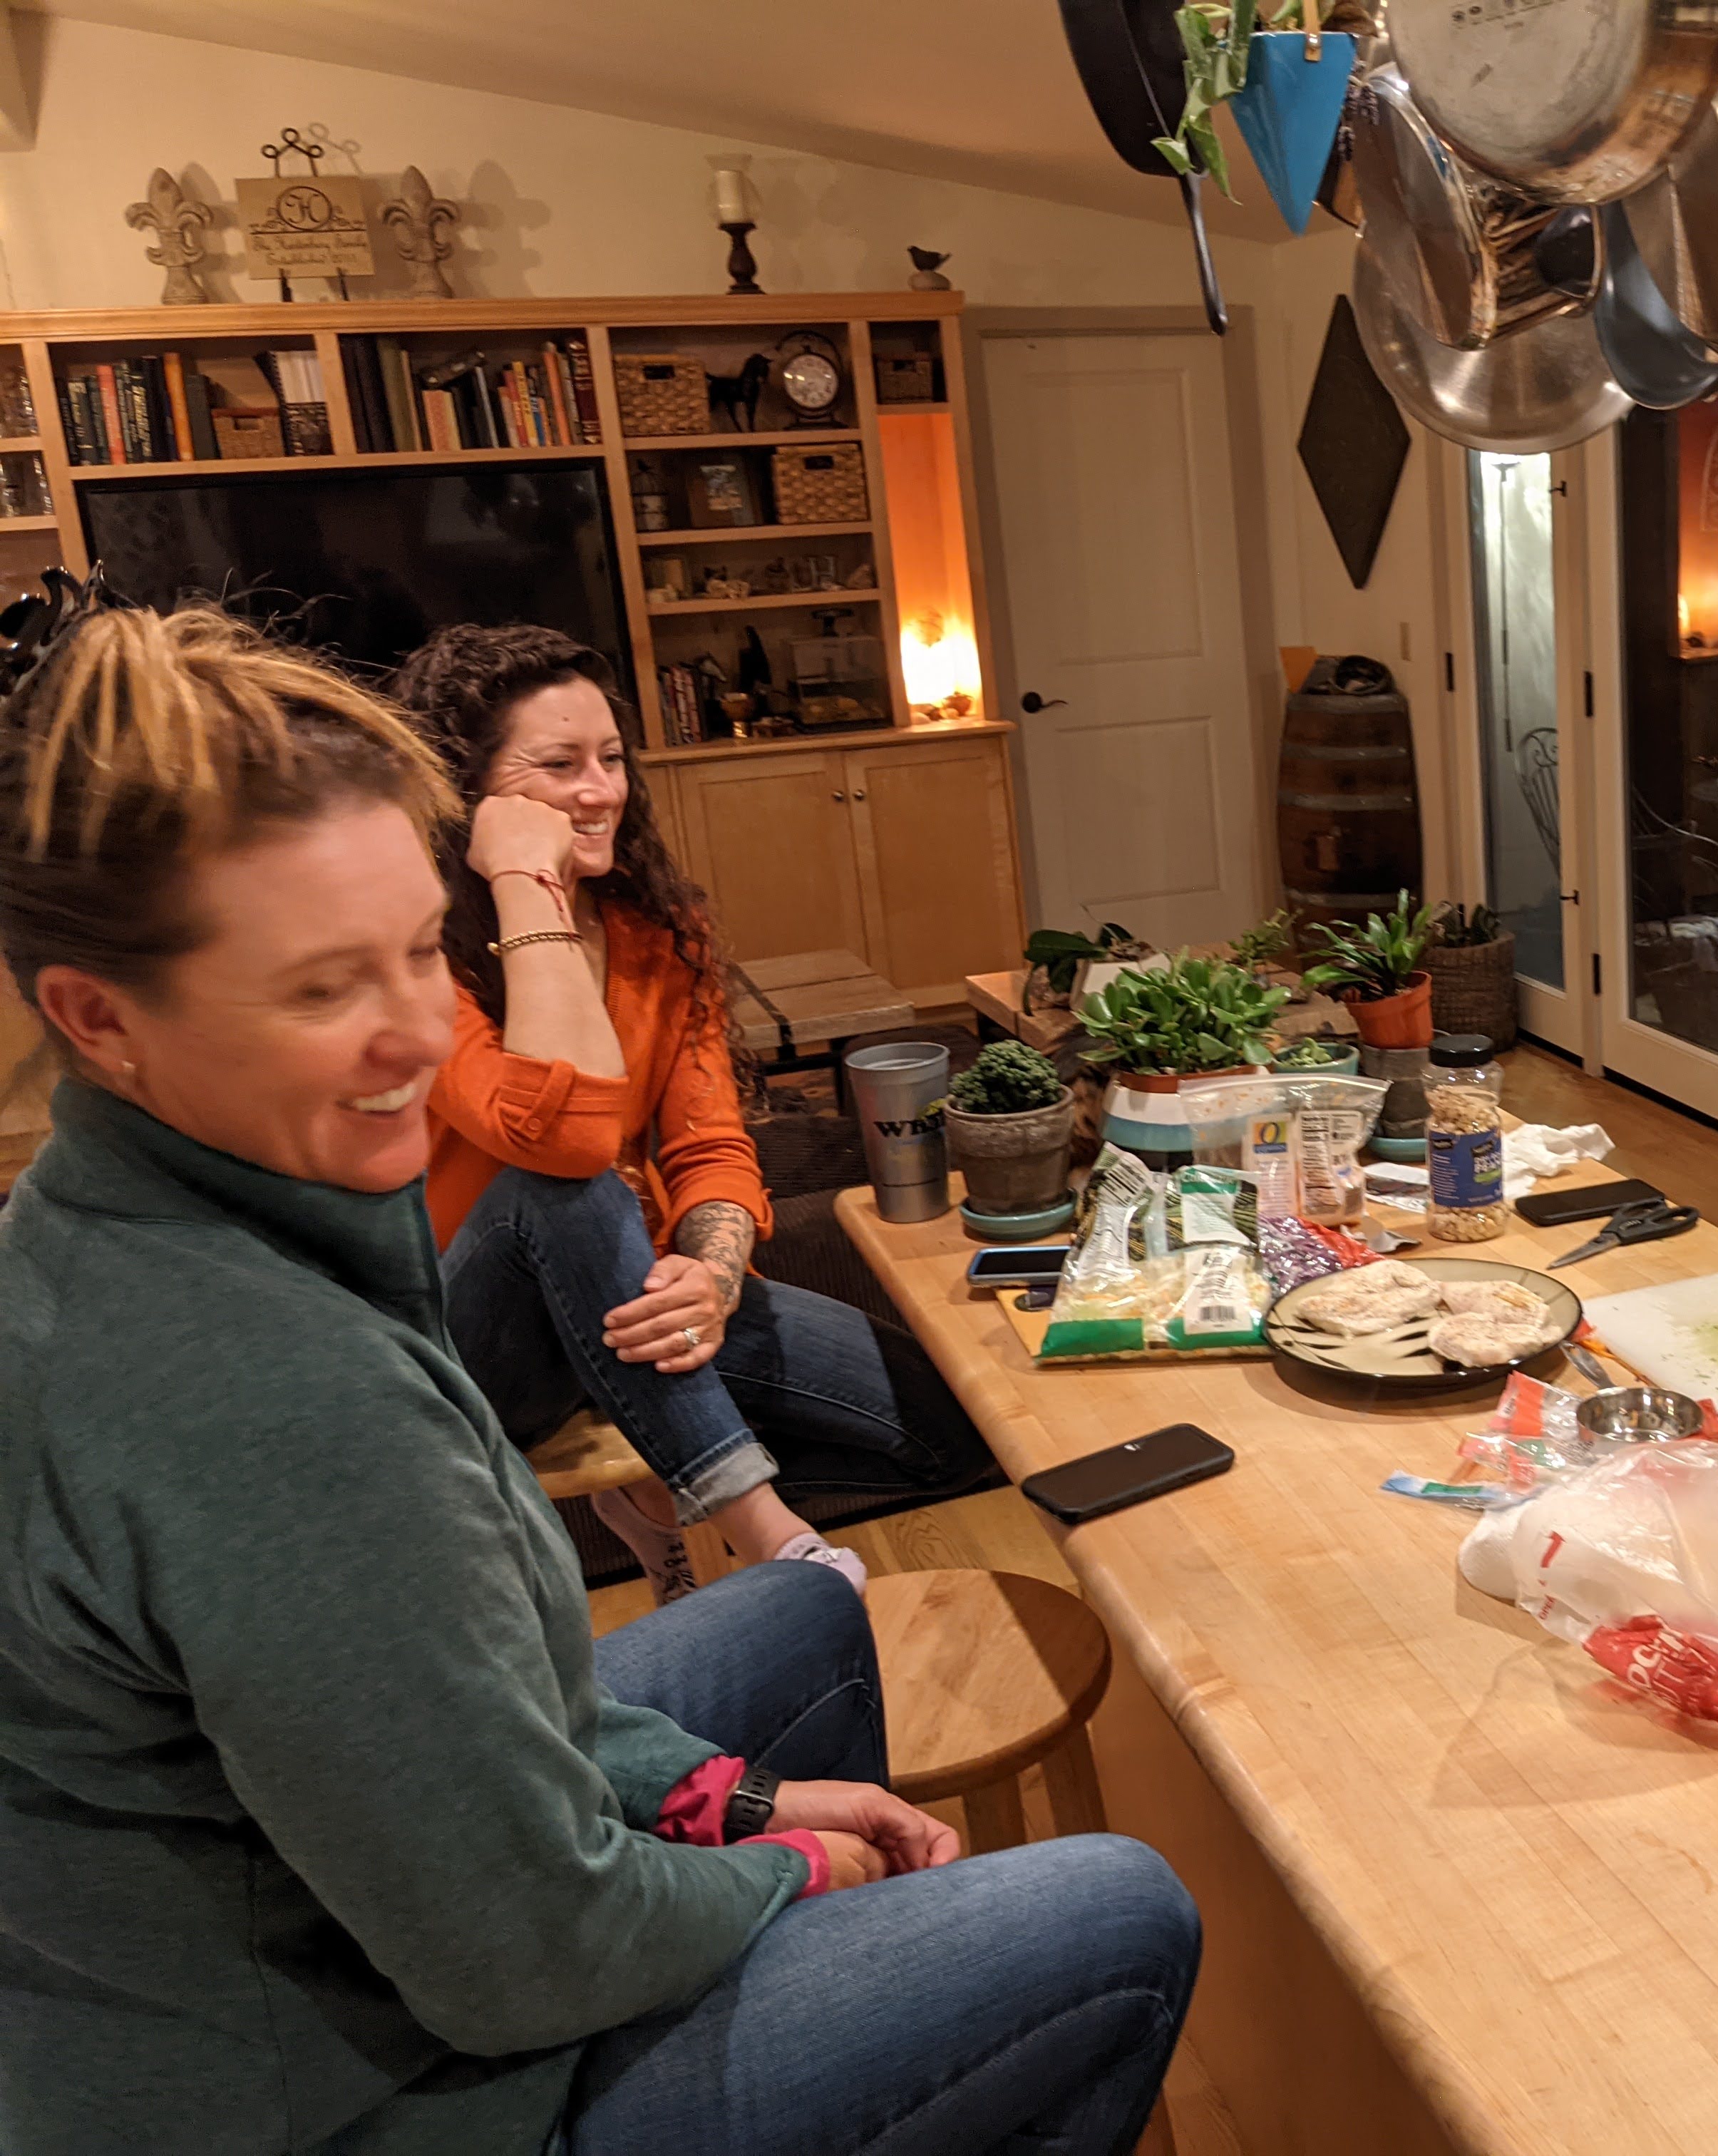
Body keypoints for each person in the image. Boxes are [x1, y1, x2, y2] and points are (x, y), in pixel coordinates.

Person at [0, 595, 1198, 2155]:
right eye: (321, 990)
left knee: (804, 1613)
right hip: (380, 2102)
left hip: (392, 1919)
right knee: (1116, 1910)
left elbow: (506, 1713)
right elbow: (526, 1957)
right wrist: (784, 1871)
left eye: (418, 952)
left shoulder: (132, 1216)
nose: (414, 1031)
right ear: (98, 1019)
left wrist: (726, 1804)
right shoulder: (270, 1398)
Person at [391, 622, 997, 1600]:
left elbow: (710, 1143)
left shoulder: (658, 929)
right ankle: (760, 1526)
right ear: (467, 791)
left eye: (612, 759)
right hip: (478, 1340)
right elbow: (566, 1138)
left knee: (952, 1429)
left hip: (637, 1302)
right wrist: (525, 882)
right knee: (567, 1187)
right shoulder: (414, 953)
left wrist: (710, 1277)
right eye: (559, 766)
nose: (602, 790)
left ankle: (662, 1497)